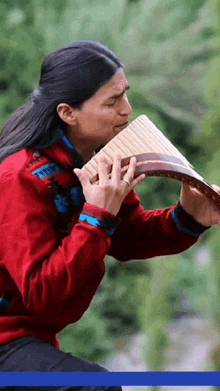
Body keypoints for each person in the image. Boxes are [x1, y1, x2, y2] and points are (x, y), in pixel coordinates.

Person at [0, 40, 219, 390]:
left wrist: (189, 217)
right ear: (67, 113)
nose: (127, 110)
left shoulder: (97, 158)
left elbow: (129, 237)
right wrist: (96, 215)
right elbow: (44, 293)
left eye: (125, 95)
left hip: (30, 337)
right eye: (112, 102)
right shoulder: (19, 179)